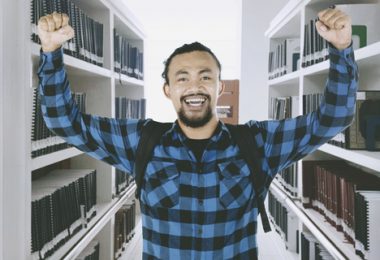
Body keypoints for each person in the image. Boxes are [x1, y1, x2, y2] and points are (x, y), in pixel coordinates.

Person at [37, 7, 357, 260]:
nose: (194, 86)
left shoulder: (257, 143)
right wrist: (51, 54)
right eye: (183, 78)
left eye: (206, 77)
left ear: (220, 87)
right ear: (168, 89)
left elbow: (332, 119)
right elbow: (65, 123)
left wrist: (341, 49)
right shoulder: (141, 141)